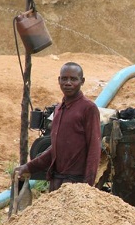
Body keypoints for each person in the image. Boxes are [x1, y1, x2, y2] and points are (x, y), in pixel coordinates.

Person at [14, 62, 101, 191]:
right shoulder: (59, 109)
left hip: (76, 185)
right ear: (59, 80)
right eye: (64, 78)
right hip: (56, 183)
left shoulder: (88, 108)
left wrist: (87, 188)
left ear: (82, 81)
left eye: (73, 79)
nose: (68, 83)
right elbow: (55, 149)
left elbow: (94, 149)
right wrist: (28, 167)